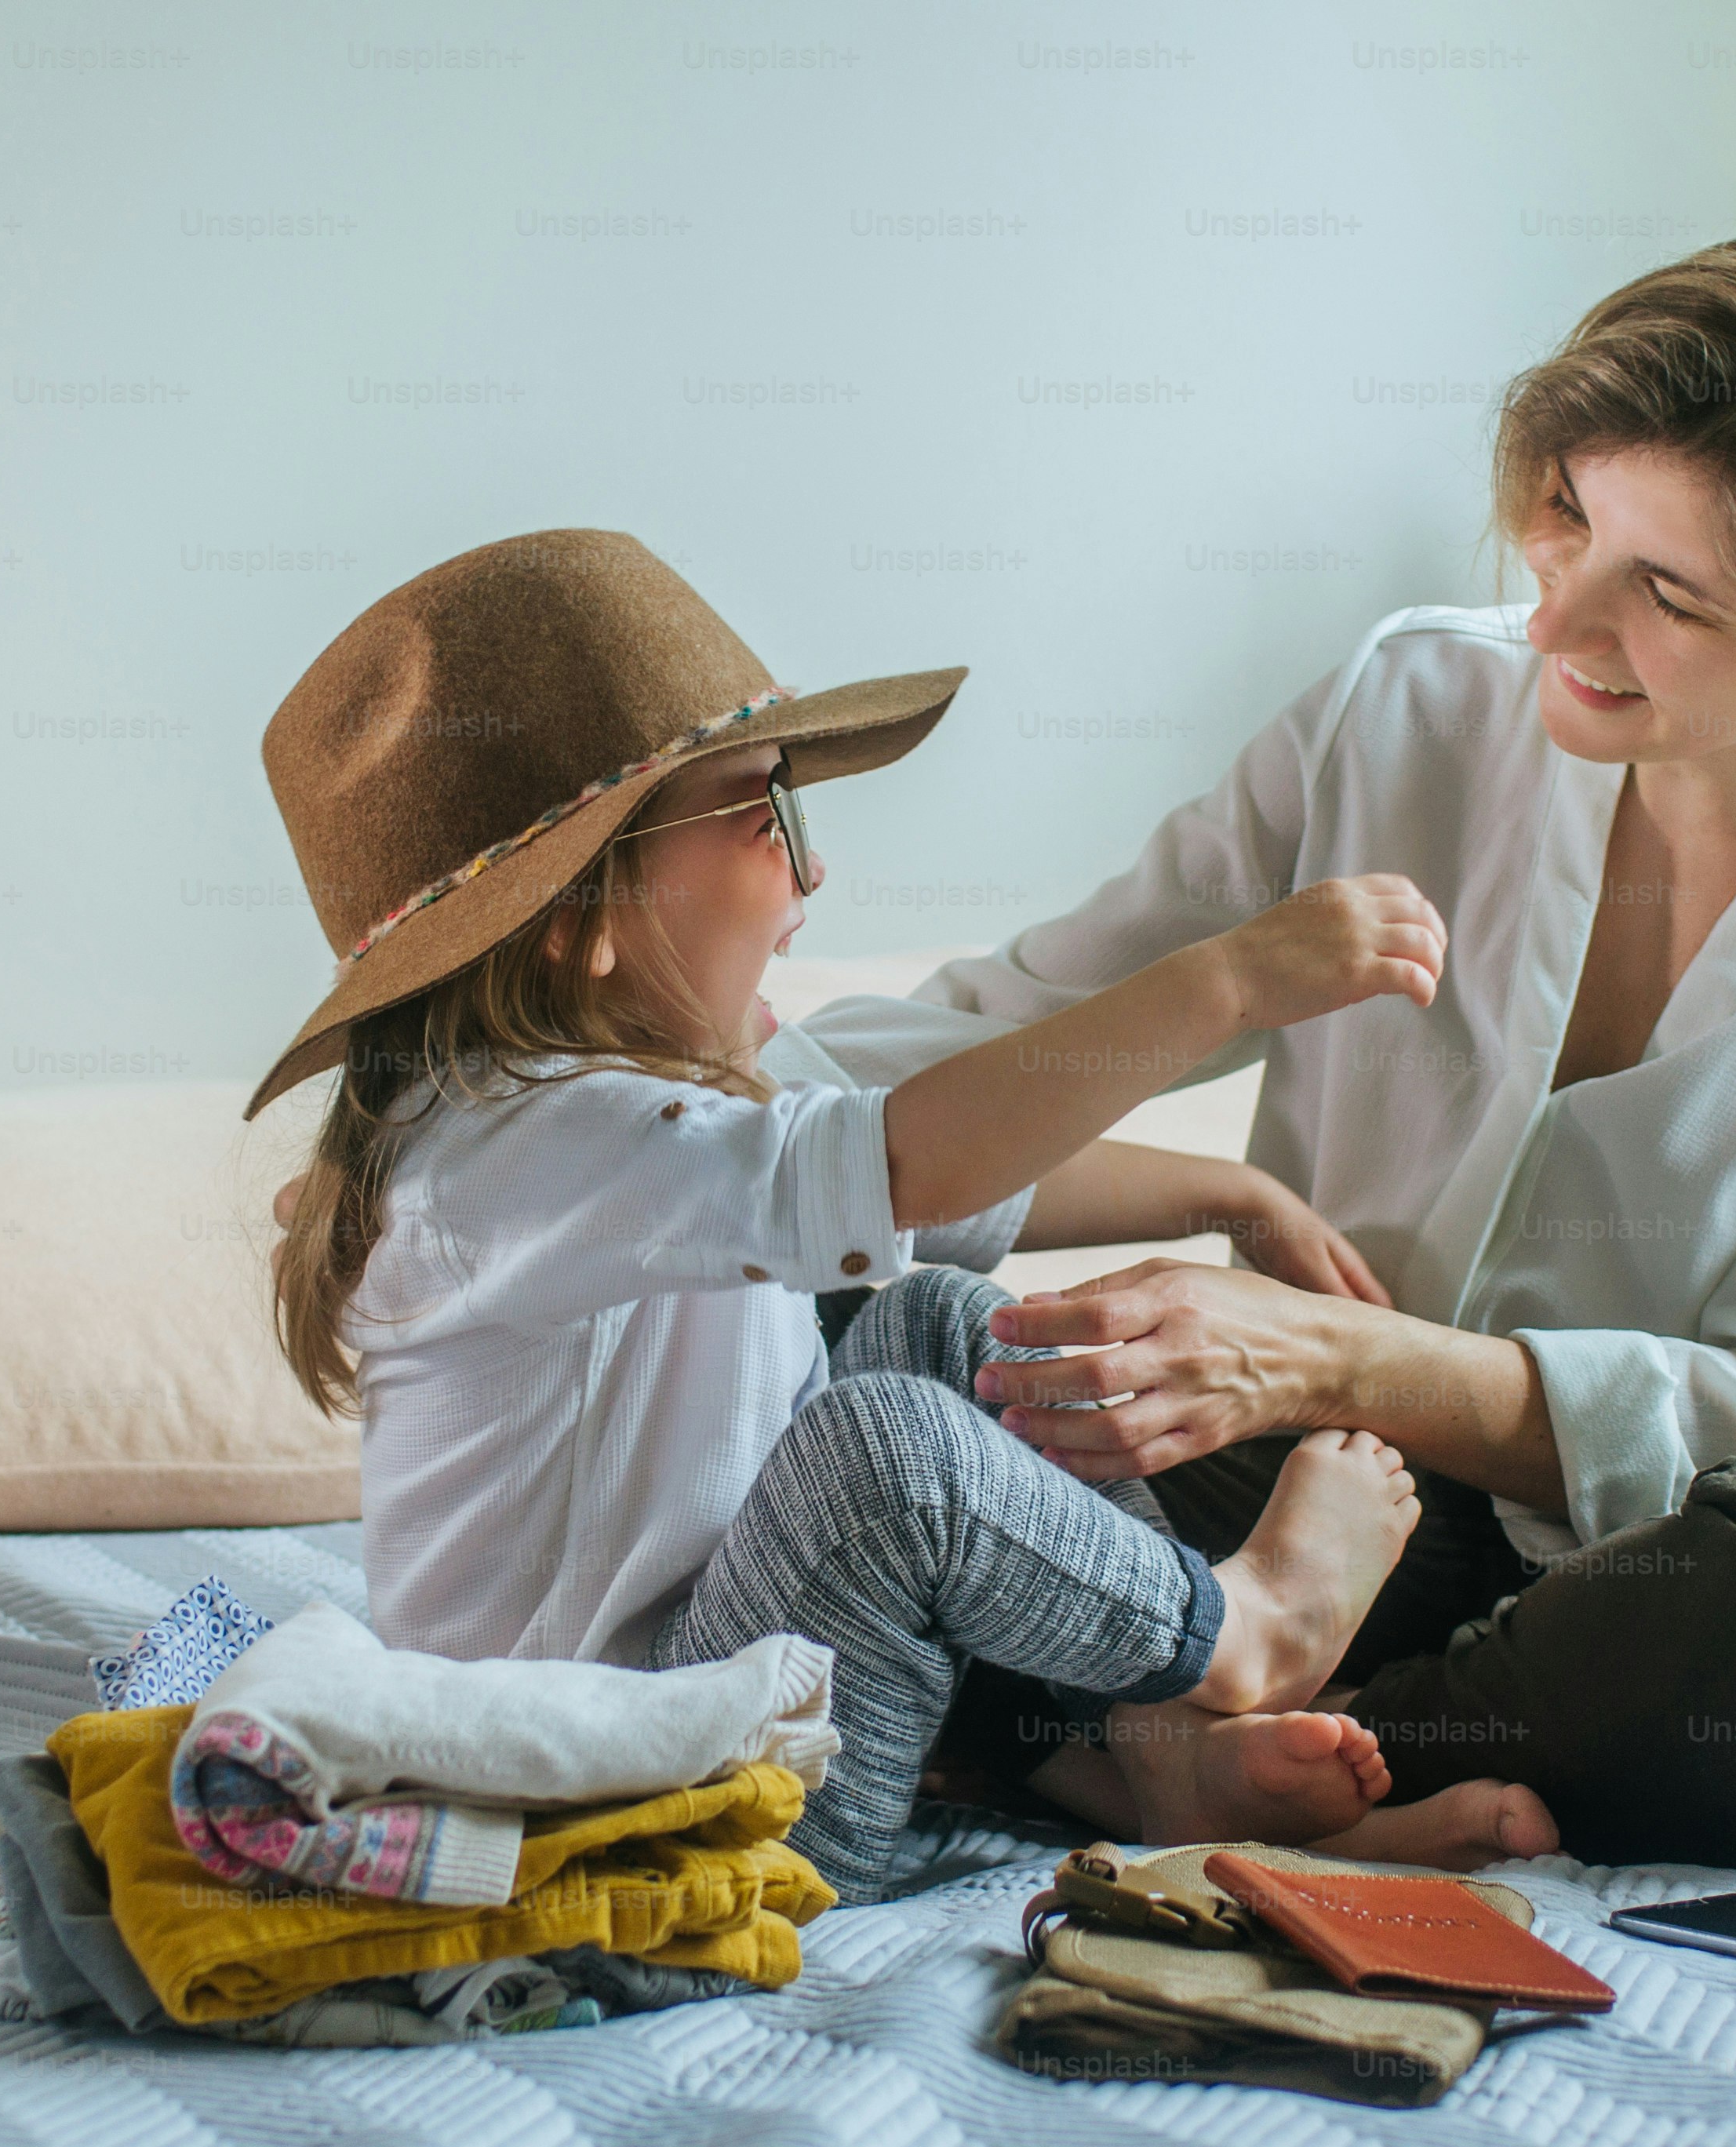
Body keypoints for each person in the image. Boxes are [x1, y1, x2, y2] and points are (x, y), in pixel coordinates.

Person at [803, 220, 1736, 1870]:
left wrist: (1327, 1354)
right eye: (1565, 520)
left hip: (1670, 1596)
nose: (1554, 621)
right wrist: (677, 1098)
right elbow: (1008, 1033)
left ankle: (1152, 1743)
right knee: (856, 1328)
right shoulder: (1402, 708)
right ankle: (1203, 1740)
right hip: (1317, 1521)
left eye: (1660, 593)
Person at [242, 528, 1554, 1902]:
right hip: (651, 1810)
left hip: (724, 1701)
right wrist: (1224, 983)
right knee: (884, 1455)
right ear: (587, 922)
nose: (811, 879)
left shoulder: (621, 1119)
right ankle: (1233, 1631)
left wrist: (1236, 1191)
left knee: (943, 1329)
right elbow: (910, 1161)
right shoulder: (535, 1145)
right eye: (767, 818)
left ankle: (1158, 1751)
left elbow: (958, 1193)